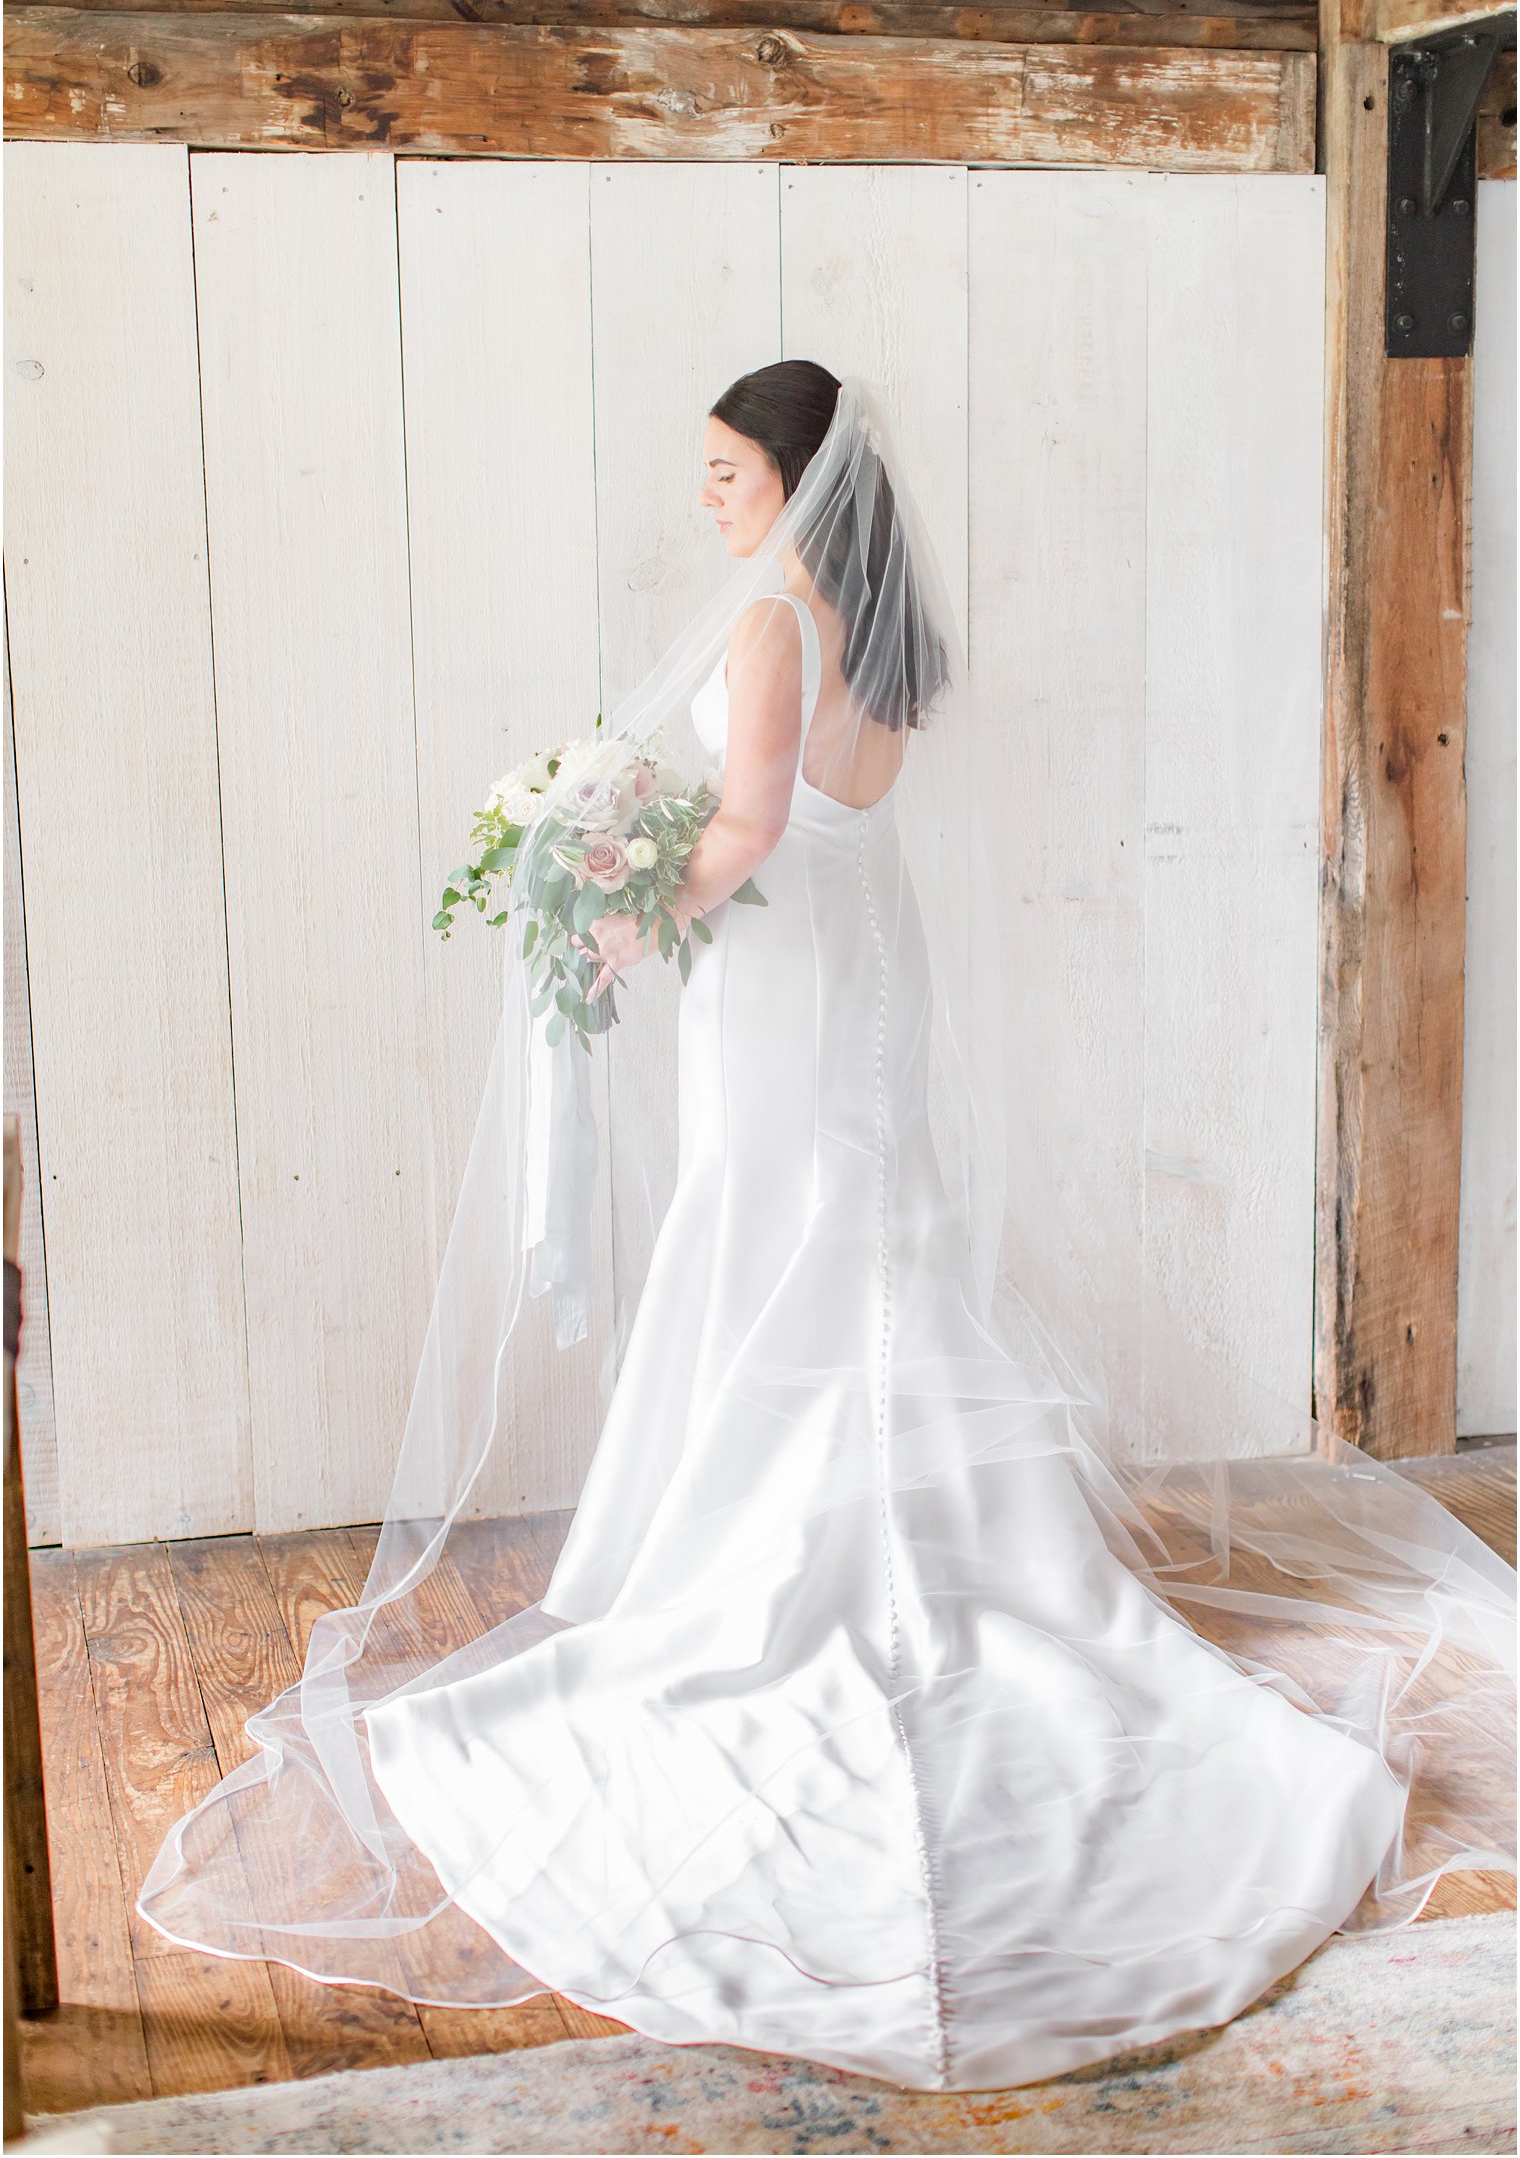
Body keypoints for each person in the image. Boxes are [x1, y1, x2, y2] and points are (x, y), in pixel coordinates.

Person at [137, 363, 1516, 2095]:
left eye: (727, 473)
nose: (707, 498)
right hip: (866, 965)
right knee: (869, 1233)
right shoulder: (884, 629)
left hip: (784, 982)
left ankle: (795, 1567)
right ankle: (933, 1543)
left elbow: (750, 828)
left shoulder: (776, 630)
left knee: (783, 1223)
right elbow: (828, 825)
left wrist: (624, 911)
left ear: (798, 477)